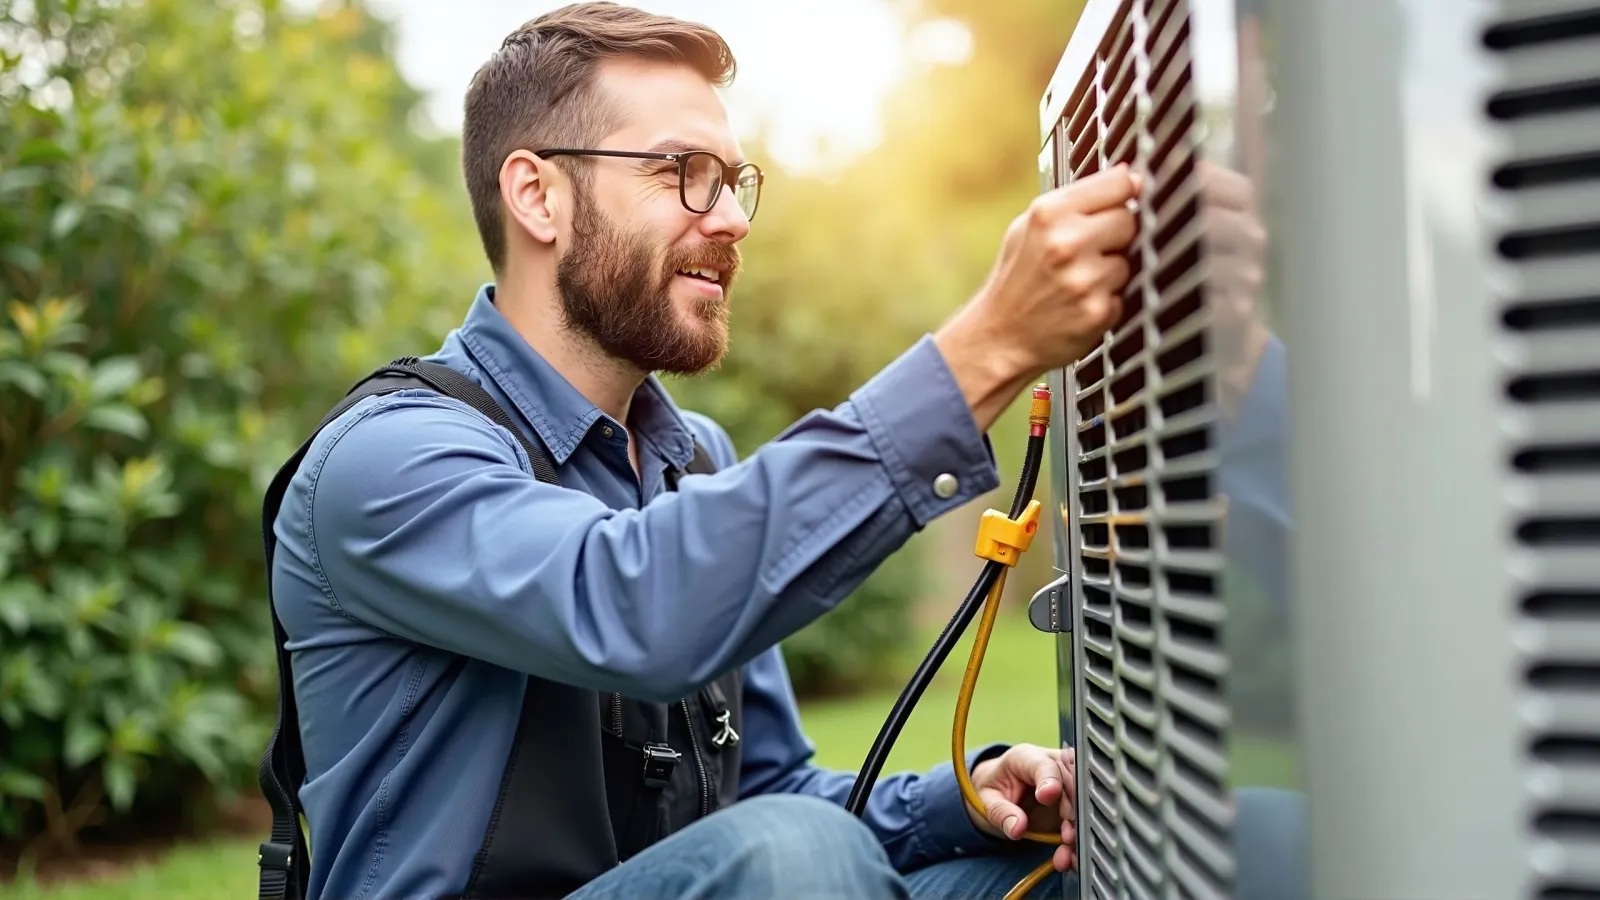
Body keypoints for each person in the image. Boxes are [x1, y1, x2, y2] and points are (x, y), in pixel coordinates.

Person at [266, 3, 1147, 898]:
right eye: (681, 172)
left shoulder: (693, 458)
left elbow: (764, 791)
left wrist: (965, 800)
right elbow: (635, 604)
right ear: (537, 195)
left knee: (1084, 862)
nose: (731, 219)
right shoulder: (390, 461)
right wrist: (987, 349)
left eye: (732, 181)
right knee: (792, 855)